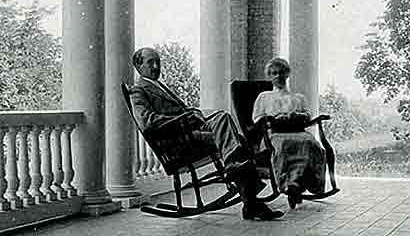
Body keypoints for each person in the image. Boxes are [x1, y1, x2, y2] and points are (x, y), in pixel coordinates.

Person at [130, 47, 283, 220]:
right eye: (151, 62)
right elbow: (147, 122)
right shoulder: (139, 91)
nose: (156, 66)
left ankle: (248, 199)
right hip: (178, 141)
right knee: (229, 131)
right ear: (138, 66)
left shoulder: (158, 86)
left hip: (190, 134)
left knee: (229, 130)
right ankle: (249, 196)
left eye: (158, 61)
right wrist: (186, 117)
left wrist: (193, 113)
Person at [252, 57, 326, 209]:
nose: (277, 76)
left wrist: (298, 116)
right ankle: (290, 185)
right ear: (269, 76)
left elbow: (307, 115)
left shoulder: (298, 97)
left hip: (298, 131)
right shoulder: (264, 97)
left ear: (287, 74)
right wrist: (272, 118)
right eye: (274, 73)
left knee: (310, 144)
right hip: (275, 134)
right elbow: (256, 119)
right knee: (284, 145)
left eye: (281, 72)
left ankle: (299, 185)